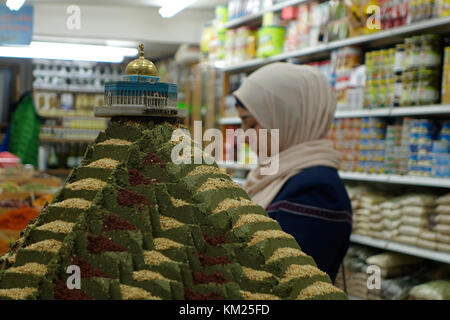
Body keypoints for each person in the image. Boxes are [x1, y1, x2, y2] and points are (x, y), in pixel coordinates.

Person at [233, 63, 352, 283]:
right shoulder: (276, 175)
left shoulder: (316, 191)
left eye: (251, 124)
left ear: (288, 119)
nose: (244, 136)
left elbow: (277, 280)